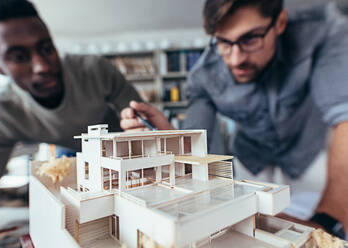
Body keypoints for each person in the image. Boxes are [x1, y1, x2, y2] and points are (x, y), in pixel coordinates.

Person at [121, 0, 348, 238]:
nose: (236, 59)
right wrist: (168, 134)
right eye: (224, 42)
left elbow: (344, 115)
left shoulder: (322, 31)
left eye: (250, 39)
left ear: (279, 22)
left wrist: (328, 219)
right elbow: (196, 142)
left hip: (308, 156)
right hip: (252, 162)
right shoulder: (203, 76)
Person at [0, 0, 142, 234]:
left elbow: (145, 122)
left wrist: (140, 131)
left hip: (118, 151)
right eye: (19, 57)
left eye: (46, 48)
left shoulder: (95, 70)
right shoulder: (1, 116)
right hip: (68, 153)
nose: (42, 66)